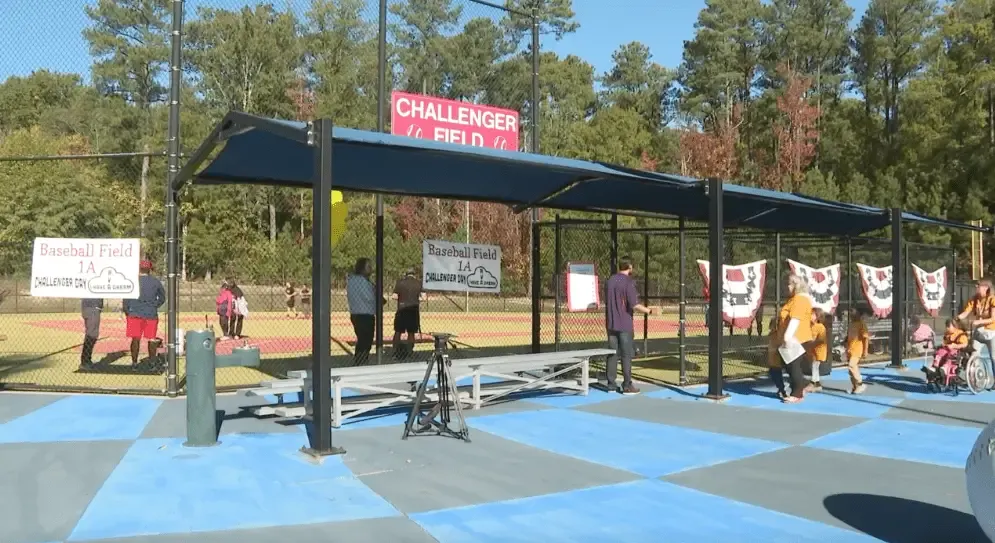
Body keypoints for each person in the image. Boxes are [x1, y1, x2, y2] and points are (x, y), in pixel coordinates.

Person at [604, 257, 656, 395]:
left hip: (611, 323)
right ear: (630, 267)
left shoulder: (610, 281)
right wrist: (650, 311)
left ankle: (611, 384)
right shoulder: (628, 282)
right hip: (624, 324)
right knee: (626, 355)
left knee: (612, 354)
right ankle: (627, 385)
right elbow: (634, 304)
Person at [775, 274, 813, 403]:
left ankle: (797, 393)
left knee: (793, 366)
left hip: (797, 338)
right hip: (793, 337)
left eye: (790, 284)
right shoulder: (794, 299)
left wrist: (788, 336)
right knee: (789, 365)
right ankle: (803, 385)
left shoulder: (800, 299)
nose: (787, 286)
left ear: (797, 285)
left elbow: (796, 318)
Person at [123, 260, 166, 369]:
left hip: (134, 313)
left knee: (135, 339)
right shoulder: (155, 281)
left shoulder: (133, 281)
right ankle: (152, 363)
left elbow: (126, 298)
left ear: (139, 269)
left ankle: (134, 363)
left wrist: (127, 311)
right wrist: (155, 305)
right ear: (150, 269)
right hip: (150, 314)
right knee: (151, 339)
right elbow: (162, 297)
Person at [957, 279, 995, 386]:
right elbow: (965, 313)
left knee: (993, 357)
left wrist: (979, 321)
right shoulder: (974, 299)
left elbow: (993, 319)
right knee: (974, 355)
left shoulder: (992, 299)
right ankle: (975, 379)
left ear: (986, 288)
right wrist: (957, 318)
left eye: (978, 286)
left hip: (992, 332)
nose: (976, 287)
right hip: (979, 332)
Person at [346, 258, 377, 365]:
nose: (371, 269)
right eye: (368, 267)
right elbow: (370, 297)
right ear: (362, 268)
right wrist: (375, 292)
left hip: (355, 313)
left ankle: (360, 360)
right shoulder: (363, 282)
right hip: (365, 315)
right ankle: (361, 361)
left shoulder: (352, 280)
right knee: (366, 341)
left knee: (362, 339)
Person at [392, 268, 425, 360]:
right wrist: (415, 299)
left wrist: (402, 299)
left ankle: (395, 351)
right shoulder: (419, 283)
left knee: (398, 332)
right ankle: (410, 352)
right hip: (413, 310)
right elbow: (423, 297)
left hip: (402, 310)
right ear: (414, 274)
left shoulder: (400, 282)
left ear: (406, 274)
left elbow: (394, 296)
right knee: (411, 333)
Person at [846, 307, 870, 395]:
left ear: (858, 314)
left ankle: (860, 384)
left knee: (851, 366)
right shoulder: (851, 324)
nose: (851, 315)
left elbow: (865, 338)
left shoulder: (862, 324)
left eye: (853, 313)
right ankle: (855, 387)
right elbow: (849, 336)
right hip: (850, 349)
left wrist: (865, 350)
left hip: (857, 349)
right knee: (850, 370)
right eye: (851, 313)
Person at [766, 316, 789, 399]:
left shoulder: (779, 334)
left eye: (773, 325)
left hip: (777, 359)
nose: (771, 327)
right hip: (772, 359)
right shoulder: (771, 334)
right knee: (773, 373)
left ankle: (783, 390)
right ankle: (781, 388)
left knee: (776, 373)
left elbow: (779, 344)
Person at [806, 308, 828, 393]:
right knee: (814, 367)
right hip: (812, 350)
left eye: (812, 314)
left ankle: (813, 383)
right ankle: (817, 384)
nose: (810, 316)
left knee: (814, 366)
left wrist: (812, 342)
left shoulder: (820, 327)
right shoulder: (810, 326)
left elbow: (821, 340)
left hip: (819, 351)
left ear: (818, 316)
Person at [80, 298, 103, 369]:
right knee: (92, 335)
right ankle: (85, 361)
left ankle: (86, 360)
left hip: (89, 308)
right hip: (92, 309)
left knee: (90, 334)